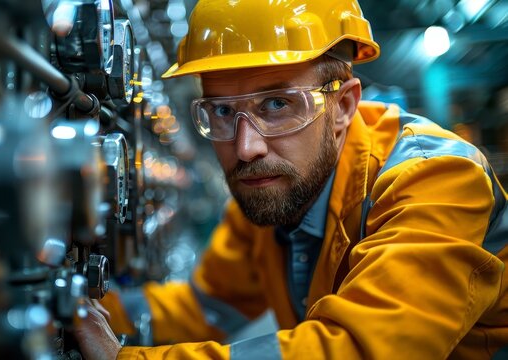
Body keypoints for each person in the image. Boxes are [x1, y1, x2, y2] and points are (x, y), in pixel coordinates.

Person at [73, 0, 508, 358]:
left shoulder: (436, 178)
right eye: (222, 112)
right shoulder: (269, 192)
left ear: (342, 107)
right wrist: (77, 309)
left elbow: (365, 349)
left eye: (278, 104)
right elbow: (204, 308)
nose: (246, 149)